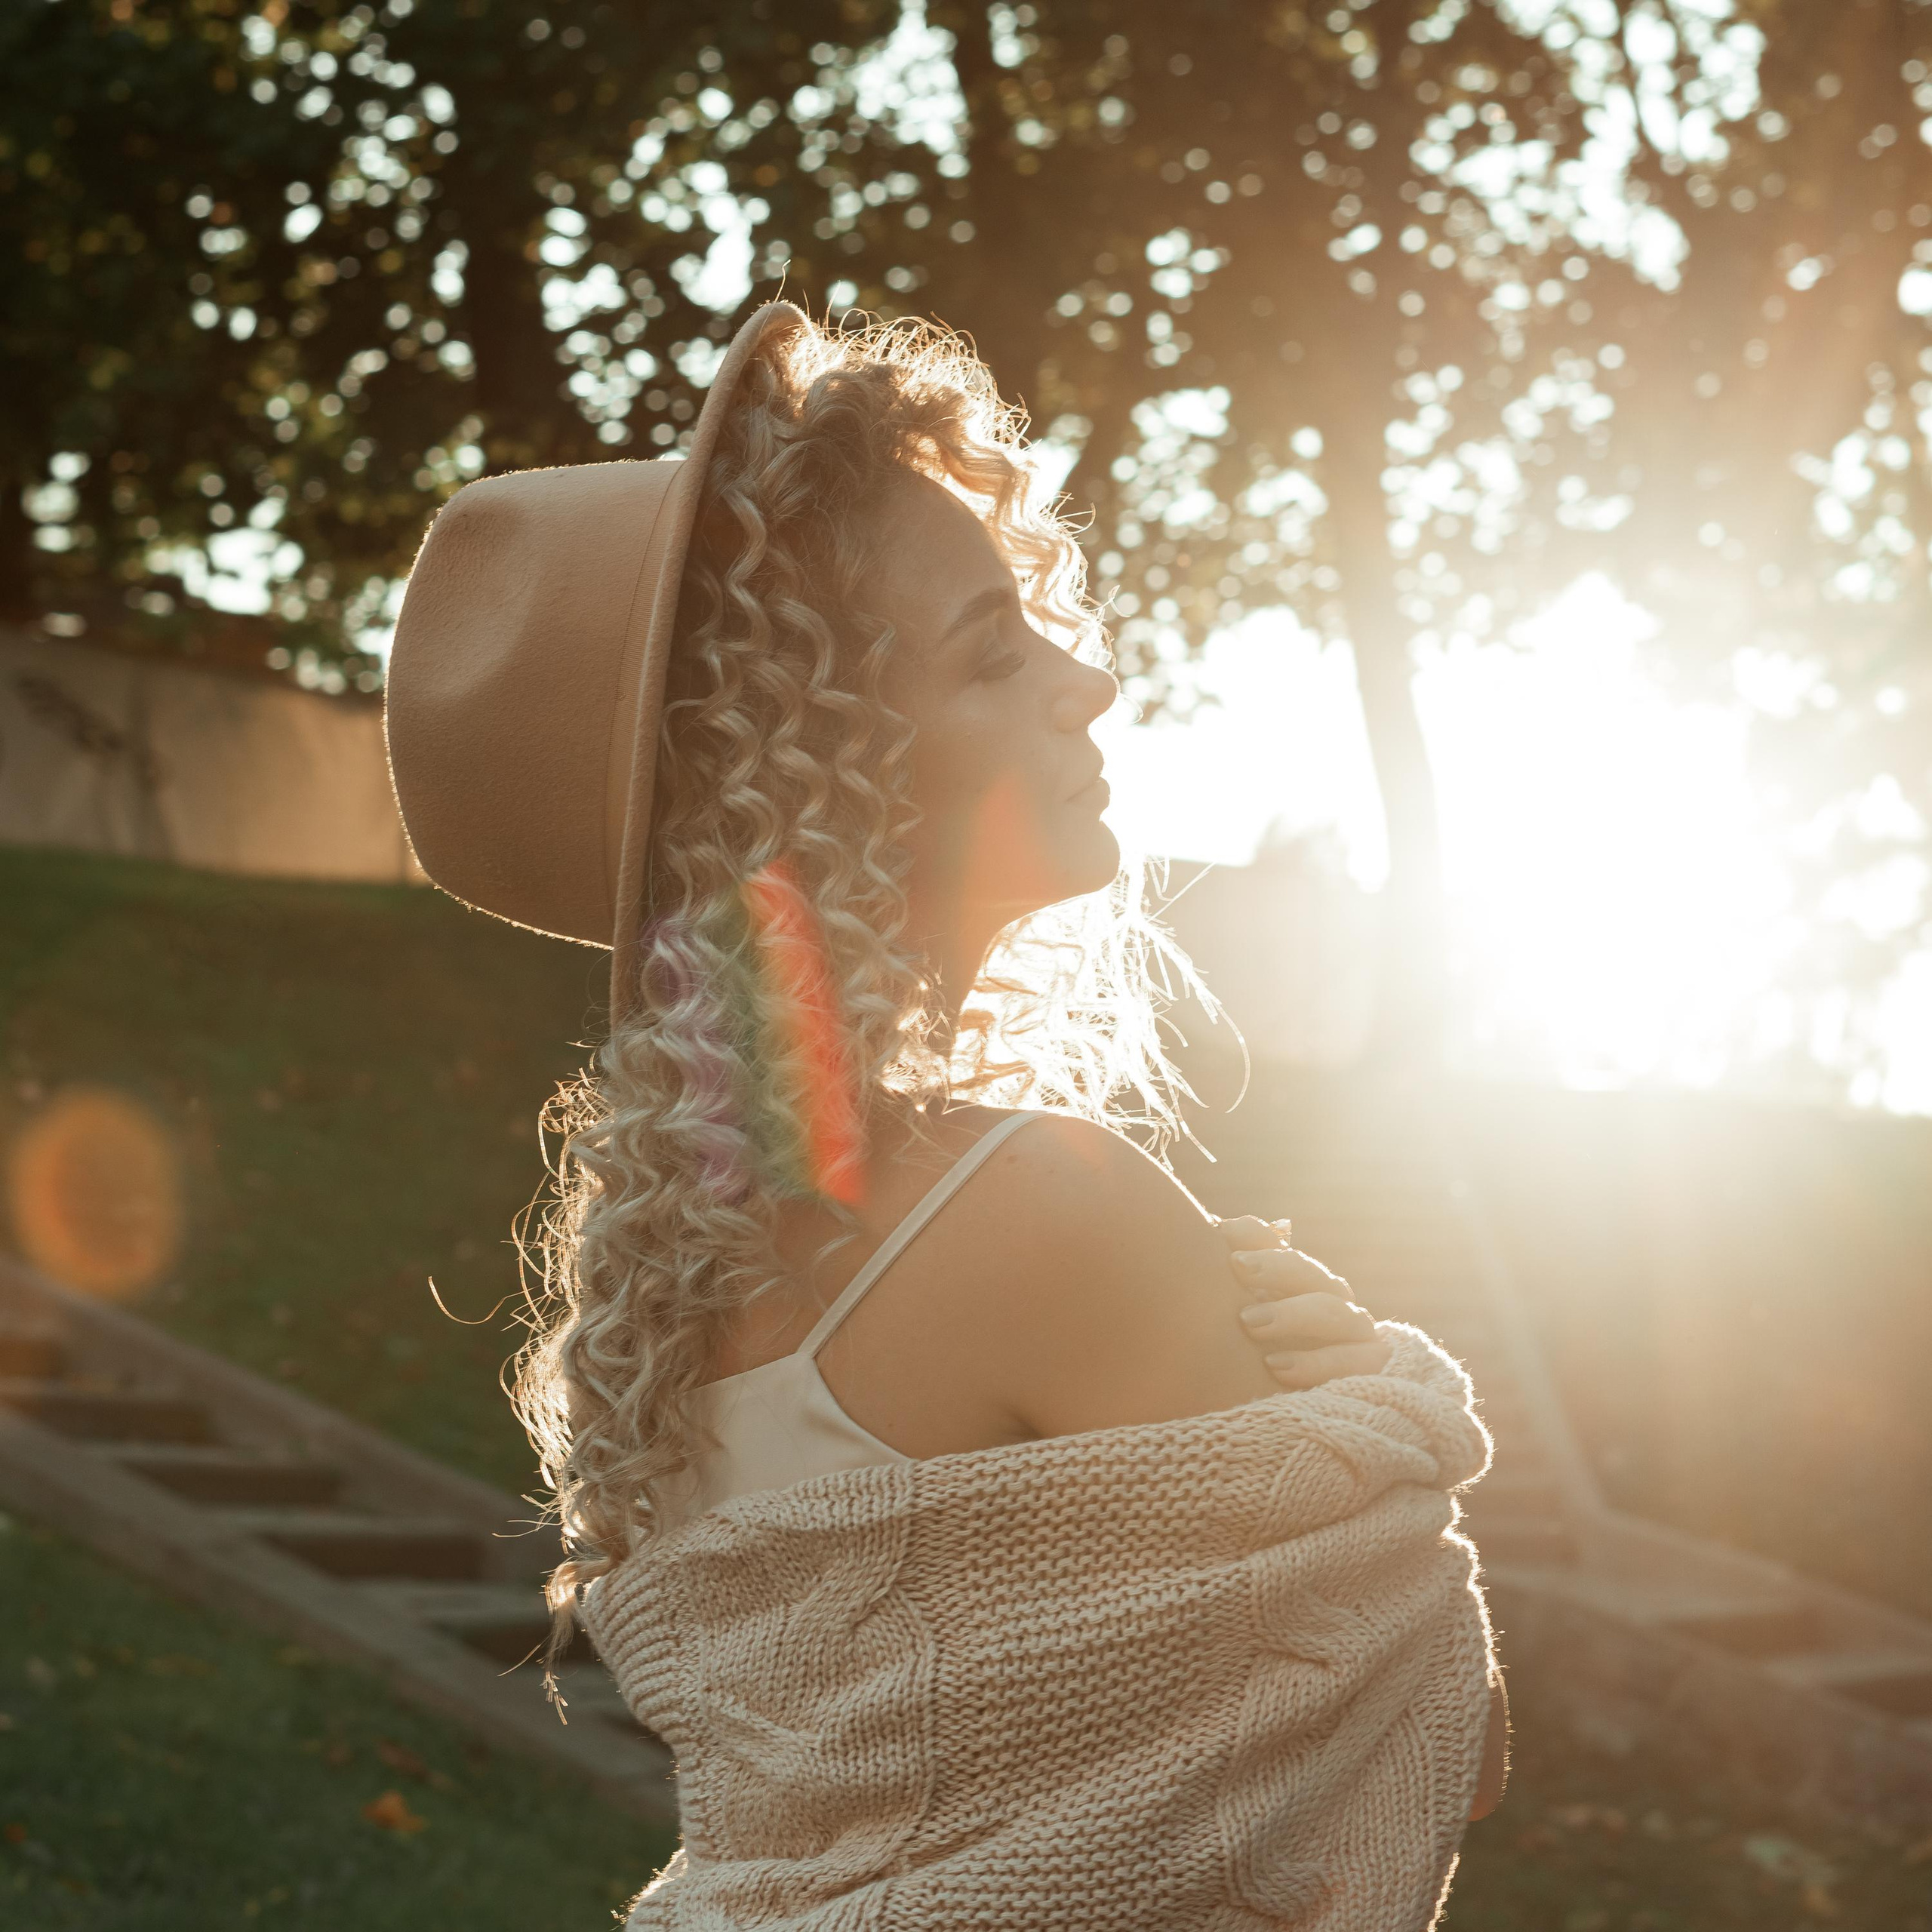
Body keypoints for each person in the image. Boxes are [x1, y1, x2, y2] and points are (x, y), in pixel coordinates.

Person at [385, 300, 1504, 1927]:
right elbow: (1412, 1737)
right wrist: (1380, 1421)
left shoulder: (677, 1289)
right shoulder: (1040, 1210)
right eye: (993, 652)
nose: (1089, 679)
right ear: (812, 769)